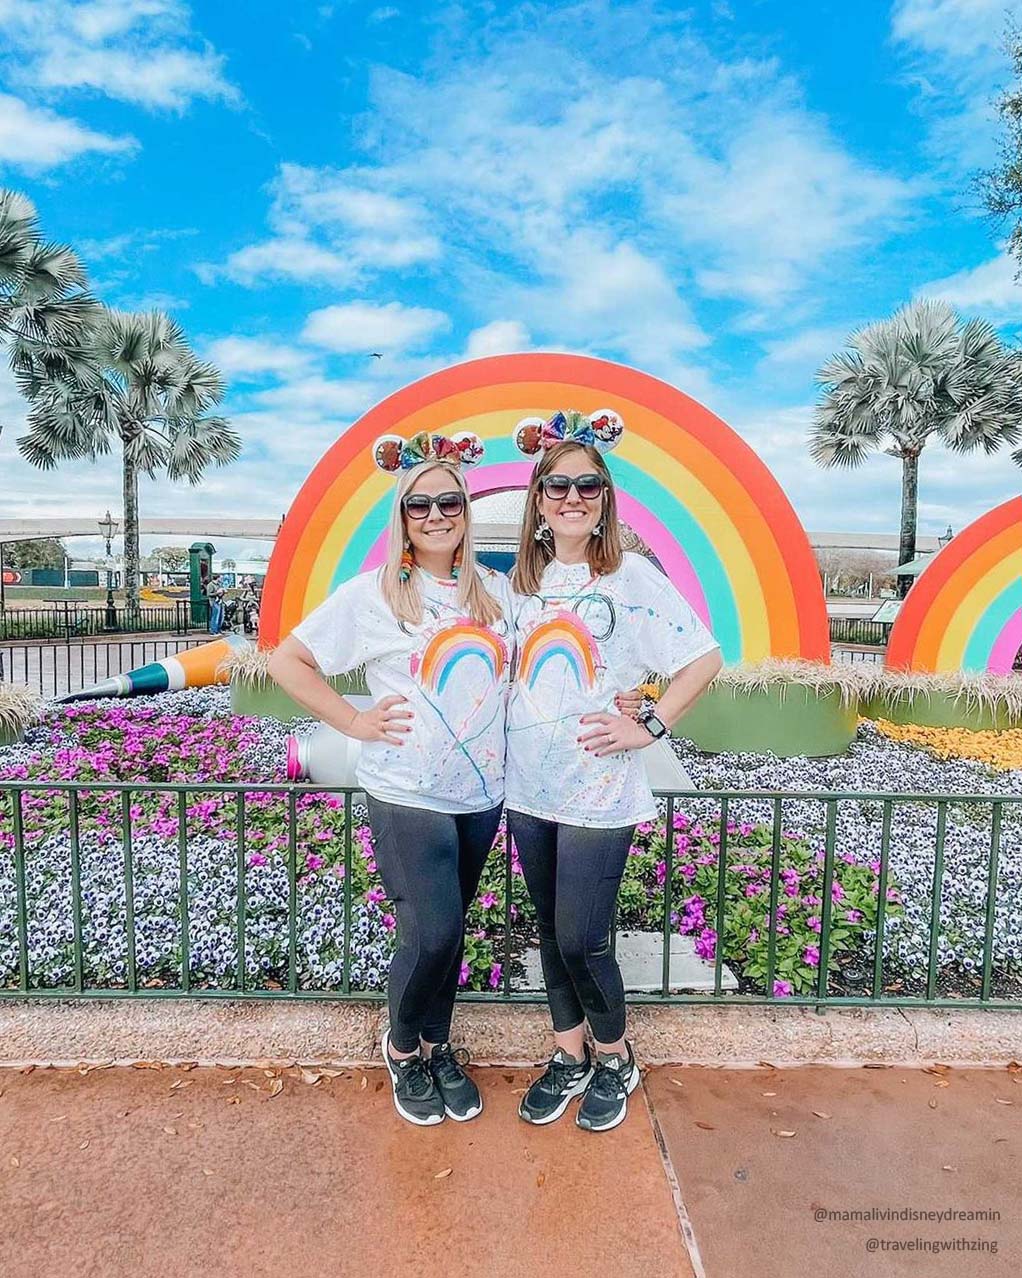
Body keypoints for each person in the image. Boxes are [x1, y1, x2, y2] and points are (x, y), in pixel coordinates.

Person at [267, 430, 512, 1127]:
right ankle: (402, 1048)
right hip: (405, 790)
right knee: (429, 932)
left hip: (480, 795)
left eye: (450, 502)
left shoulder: (494, 593)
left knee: (454, 930)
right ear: (401, 517)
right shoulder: (370, 596)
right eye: (419, 505)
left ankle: (438, 1046)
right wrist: (352, 722)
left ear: (468, 510)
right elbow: (289, 662)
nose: (436, 515)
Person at [506, 409, 722, 1133]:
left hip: (599, 788)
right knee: (547, 929)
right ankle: (568, 1057)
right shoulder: (519, 585)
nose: (572, 497)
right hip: (528, 787)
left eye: (588, 486)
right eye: (558, 485)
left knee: (581, 937)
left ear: (605, 499)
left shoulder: (630, 576)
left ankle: (614, 1057)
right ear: (538, 500)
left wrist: (649, 721)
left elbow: (703, 658)